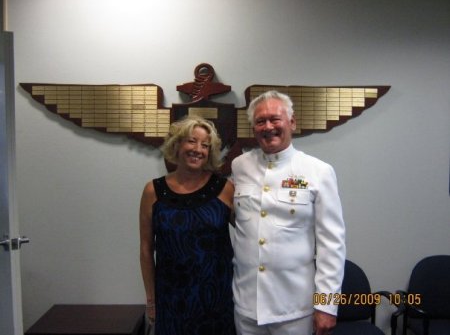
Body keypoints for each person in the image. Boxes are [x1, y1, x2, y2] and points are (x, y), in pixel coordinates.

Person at [231, 90, 346, 335]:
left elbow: (331, 244)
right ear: (254, 128)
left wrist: (326, 306)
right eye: (260, 121)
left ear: (292, 123)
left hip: (294, 308)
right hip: (247, 305)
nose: (268, 126)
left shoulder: (318, 171)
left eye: (275, 119)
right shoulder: (240, 166)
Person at [139, 115, 236, 335]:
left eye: (205, 145)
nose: (198, 149)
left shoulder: (225, 188)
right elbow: (146, 250)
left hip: (217, 299)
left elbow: (252, 233)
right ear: (177, 144)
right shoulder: (153, 191)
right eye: (191, 141)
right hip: (171, 300)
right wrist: (151, 301)